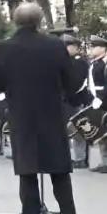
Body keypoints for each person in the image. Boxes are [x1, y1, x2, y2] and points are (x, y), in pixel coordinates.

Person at [0, 3, 87, 214]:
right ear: (39, 21)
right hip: (52, 116)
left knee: (27, 172)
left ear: (15, 21)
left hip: (21, 116)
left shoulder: (2, 48)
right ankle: (68, 210)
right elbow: (70, 82)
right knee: (59, 172)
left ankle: (31, 210)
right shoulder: (55, 46)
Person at [59, 32, 90, 169]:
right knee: (64, 130)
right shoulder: (63, 62)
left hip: (75, 100)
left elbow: (76, 82)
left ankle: (80, 158)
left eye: (67, 46)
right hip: (64, 101)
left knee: (78, 130)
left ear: (76, 47)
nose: (65, 49)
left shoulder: (80, 63)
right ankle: (67, 157)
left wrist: (63, 94)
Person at [89, 35, 107, 173]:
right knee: (101, 134)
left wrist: (100, 98)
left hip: (104, 101)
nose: (92, 49)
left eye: (95, 47)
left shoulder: (105, 64)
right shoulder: (95, 63)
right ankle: (104, 161)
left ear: (103, 48)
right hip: (97, 102)